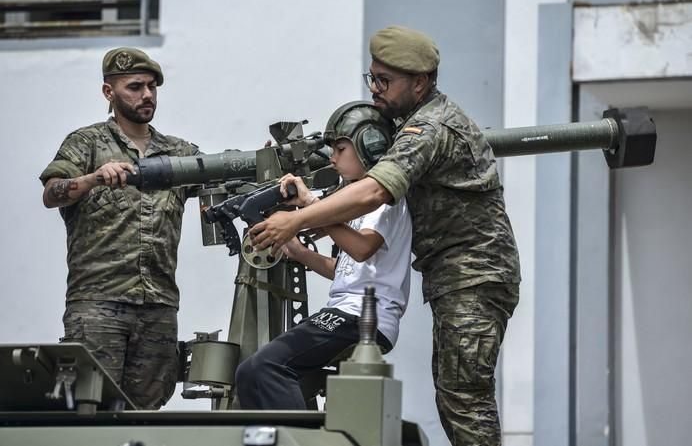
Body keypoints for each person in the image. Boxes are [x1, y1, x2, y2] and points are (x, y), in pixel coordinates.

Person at [249, 26, 520, 445]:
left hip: (474, 273)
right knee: (455, 395)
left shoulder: (430, 127)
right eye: (371, 78)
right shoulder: (416, 121)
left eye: (385, 81)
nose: (375, 90)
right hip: (459, 276)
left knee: (464, 396)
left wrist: (298, 220)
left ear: (420, 82)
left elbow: (374, 190)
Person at [39, 47, 199, 410]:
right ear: (108, 93)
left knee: (145, 413)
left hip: (159, 306)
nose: (147, 95)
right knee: (88, 410)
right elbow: (51, 193)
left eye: (152, 87)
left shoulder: (179, 152)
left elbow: (218, 186)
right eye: (135, 87)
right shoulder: (86, 143)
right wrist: (93, 179)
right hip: (98, 305)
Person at [235, 101, 412, 410]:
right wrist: (296, 249)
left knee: (263, 369)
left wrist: (309, 205)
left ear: (369, 146)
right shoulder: (354, 202)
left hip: (362, 316)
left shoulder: (383, 200)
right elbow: (343, 268)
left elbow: (360, 248)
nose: (332, 157)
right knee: (269, 374)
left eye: (340, 149)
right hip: (349, 311)